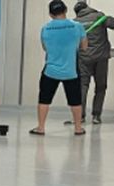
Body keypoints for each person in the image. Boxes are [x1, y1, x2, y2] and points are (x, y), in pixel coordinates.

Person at [30, 0, 88, 136]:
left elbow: (45, 48)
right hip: (71, 71)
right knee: (75, 101)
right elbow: (84, 47)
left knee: (44, 99)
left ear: (50, 14)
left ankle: (41, 128)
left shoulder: (45, 28)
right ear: (66, 10)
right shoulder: (77, 26)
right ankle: (78, 128)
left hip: (50, 70)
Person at [64, 2, 114, 125]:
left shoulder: (75, 23)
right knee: (100, 87)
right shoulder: (99, 17)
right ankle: (96, 116)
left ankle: (80, 116)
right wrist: (107, 18)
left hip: (83, 58)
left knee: (82, 86)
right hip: (101, 58)